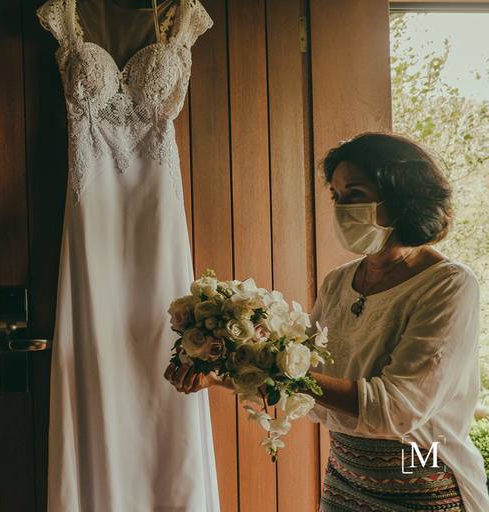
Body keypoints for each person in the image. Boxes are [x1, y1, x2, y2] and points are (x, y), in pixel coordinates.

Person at [166, 132, 489, 511]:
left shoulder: (448, 284)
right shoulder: (339, 282)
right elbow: (306, 384)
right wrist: (219, 375)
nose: (342, 208)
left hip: (422, 482)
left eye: (355, 194)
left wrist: (276, 366)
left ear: (402, 196)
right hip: (345, 481)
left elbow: (398, 409)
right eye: (336, 196)